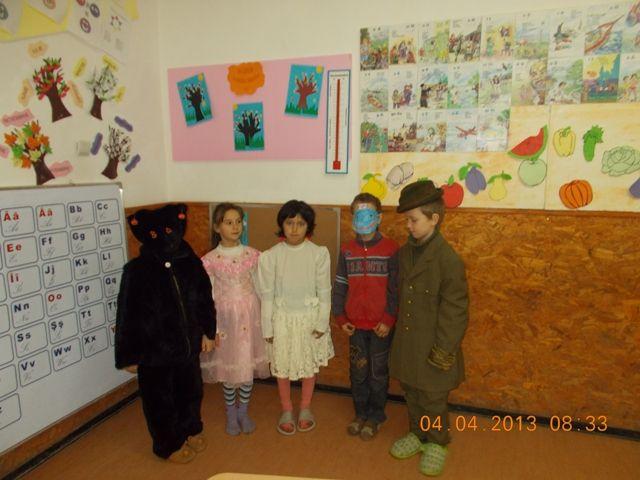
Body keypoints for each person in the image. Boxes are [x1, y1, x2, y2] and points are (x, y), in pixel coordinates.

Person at [115, 204, 216, 464]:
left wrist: (208, 332)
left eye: (169, 231)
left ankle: (191, 428)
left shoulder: (190, 262)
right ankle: (167, 443)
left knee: (191, 391)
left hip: (187, 345)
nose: (164, 237)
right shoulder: (137, 270)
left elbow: (205, 299)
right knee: (160, 400)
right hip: (153, 353)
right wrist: (129, 356)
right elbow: (127, 314)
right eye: (155, 234)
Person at [388, 181, 469, 477]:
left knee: (433, 398)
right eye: (407, 220)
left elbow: (455, 311)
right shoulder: (404, 253)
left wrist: (443, 350)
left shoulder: (448, 260)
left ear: (434, 219)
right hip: (409, 343)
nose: (408, 226)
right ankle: (418, 433)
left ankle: (437, 441)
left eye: (413, 220)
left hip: (435, 346)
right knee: (411, 392)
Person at [258, 200, 334, 435]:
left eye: (300, 224)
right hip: (281, 320)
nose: (294, 228)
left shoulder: (318, 254)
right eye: (289, 223)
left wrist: (322, 322)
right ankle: (286, 409)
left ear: (308, 226)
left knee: (308, 366)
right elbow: (267, 295)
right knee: (282, 365)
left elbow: (324, 291)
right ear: (282, 224)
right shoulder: (271, 256)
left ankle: (305, 407)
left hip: (309, 319)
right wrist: (267, 328)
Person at [332, 193, 399, 440]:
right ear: (352, 218)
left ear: (378, 218)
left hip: (381, 327)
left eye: (368, 214)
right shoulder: (347, 251)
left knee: (378, 373)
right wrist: (340, 317)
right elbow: (340, 285)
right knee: (358, 371)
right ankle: (360, 413)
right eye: (358, 215)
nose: (363, 219)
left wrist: (389, 319)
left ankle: (376, 416)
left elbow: (395, 289)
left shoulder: (391, 249)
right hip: (355, 327)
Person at [200, 203, 270, 435]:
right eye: (228, 222)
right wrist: (210, 328)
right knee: (229, 370)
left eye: (239, 221)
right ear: (217, 227)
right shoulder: (210, 260)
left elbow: (261, 287)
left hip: (250, 319)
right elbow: (207, 295)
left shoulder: (252, 255)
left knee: (247, 367)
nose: (235, 226)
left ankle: (243, 412)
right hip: (225, 321)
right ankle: (231, 413)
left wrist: (267, 317)